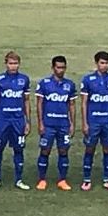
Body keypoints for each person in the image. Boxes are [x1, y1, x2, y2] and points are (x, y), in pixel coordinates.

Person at [0, 51, 31, 190]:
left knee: (19, 149)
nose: (13, 66)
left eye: (15, 63)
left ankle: (19, 179)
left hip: (18, 120)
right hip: (3, 120)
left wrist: (28, 121)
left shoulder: (24, 80)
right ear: (6, 64)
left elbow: (26, 101)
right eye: (10, 63)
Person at [80, 50, 108, 191]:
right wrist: (84, 123)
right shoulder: (87, 80)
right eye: (102, 63)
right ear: (96, 63)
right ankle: (86, 179)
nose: (104, 66)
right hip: (93, 121)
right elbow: (84, 102)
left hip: (107, 121)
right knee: (90, 149)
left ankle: (107, 180)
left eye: (107, 63)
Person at [35, 56, 77, 191]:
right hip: (48, 124)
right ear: (53, 68)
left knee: (63, 151)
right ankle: (42, 179)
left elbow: (71, 105)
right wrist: (40, 123)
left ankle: (62, 180)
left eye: (63, 67)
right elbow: (39, 104)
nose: (61, 70)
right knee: (45, 150)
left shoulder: (69, 84)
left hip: (63, 124)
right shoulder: (44, 83)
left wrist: (72, 124)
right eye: (58, 67)